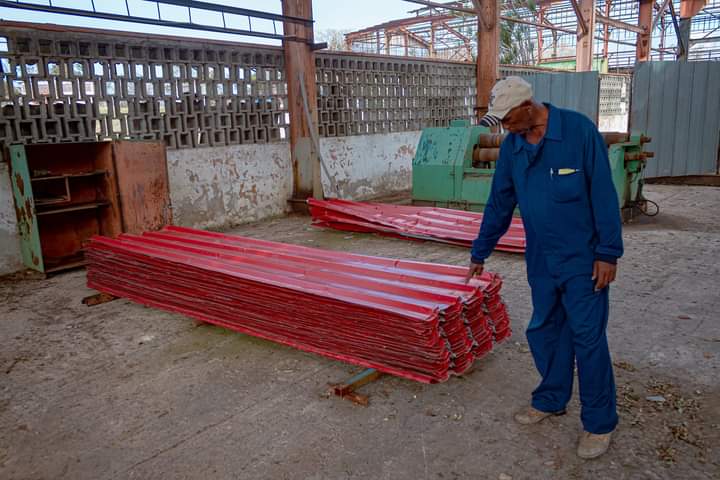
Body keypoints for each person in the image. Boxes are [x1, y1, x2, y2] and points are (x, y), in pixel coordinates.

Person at [466, 76, 623, 459]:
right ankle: (552, 398)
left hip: (583, 260)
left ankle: (599, 423)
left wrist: (608, 252)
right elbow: (499, 203)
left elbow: (603, 192)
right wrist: (479, 250)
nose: (505, 128)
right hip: (541, 259)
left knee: (587, 338)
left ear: (528, 106)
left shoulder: (578, 131)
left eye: (508, 119)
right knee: (546, 330)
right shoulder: (513, 149)